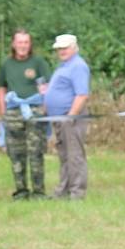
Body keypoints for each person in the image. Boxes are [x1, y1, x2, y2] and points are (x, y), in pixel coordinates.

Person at [0, 29, 51, 200]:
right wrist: (3, 110)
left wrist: (45, 106)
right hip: (13, 111)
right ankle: (21, 191)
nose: (23, 46)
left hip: (34, 111)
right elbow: (1, 87)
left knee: (36, 152)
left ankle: (38, 192)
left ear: (30, 44)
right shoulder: (7, 64)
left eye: (26, 42)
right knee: (16, 153)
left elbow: (46, 86)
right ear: (14, 44)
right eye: (20, 42)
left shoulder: (38, 62)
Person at [43, 34, 91, 200]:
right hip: (59, 118)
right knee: (64, 156)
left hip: (71, 118)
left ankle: (77, 192)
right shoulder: (64, 66)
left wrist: (71, 116)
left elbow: (82, 94)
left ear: (73, 48)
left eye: (64, 48)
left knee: (75, 155)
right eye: (59, 49)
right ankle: (63, 190)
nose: (61, 51)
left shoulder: (78, 66)